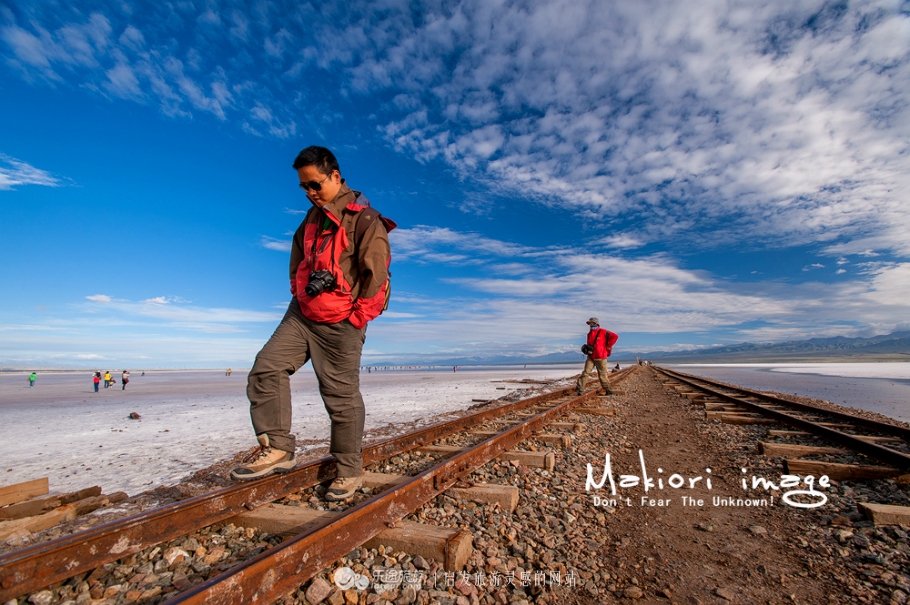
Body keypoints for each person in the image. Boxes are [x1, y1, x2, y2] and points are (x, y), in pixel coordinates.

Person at [231, 145, 395, 503]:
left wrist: (356, 318)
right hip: (302, 314)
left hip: (341, 322)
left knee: (340, 397)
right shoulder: (310, 219)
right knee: (266, 368)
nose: (310, 192)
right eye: (303, 186)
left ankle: (348, 470)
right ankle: (278, 448)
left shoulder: (366, 220)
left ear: (335, 176)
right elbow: (297, 261)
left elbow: (378, 278)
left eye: (315, 184)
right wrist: (299, 294)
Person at [576, 317, 619, 396]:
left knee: (602, 375)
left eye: (591, 323)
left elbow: (615, 336)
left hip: (601, 357)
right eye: (589, 323)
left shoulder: (603, 331)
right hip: (591, 356)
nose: (589, 325)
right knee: (586, 372)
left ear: (595, 323)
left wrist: (608, 345)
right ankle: (580, 389)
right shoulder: (589, 334)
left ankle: (608, 390)